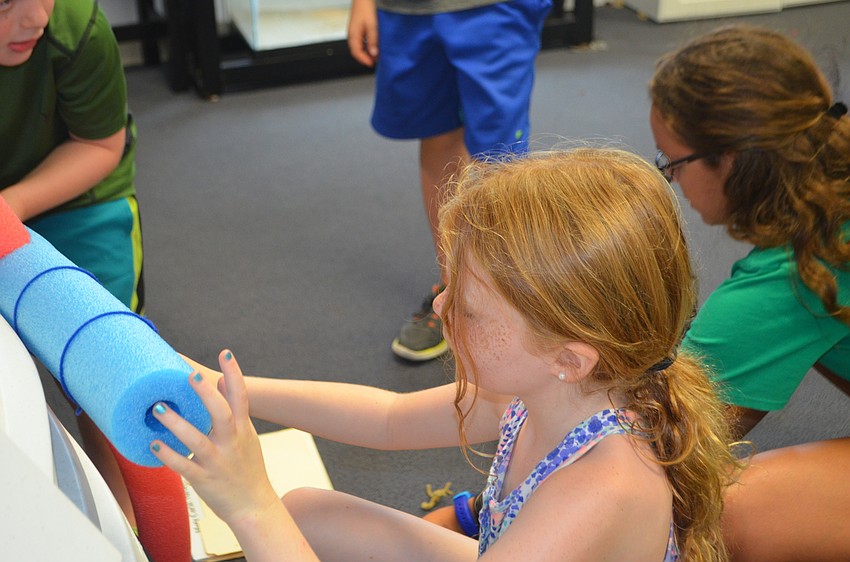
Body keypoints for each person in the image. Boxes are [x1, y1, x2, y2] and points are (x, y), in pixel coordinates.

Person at [152, 148, 739, 561]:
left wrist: (249, 504)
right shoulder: (555, 388)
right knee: (306, 512)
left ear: (568, 356)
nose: (439, 305)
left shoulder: (603, 490)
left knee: (275, 517)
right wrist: (232, 388)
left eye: (469, 307)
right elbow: (388, 417)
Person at [649, 25, 850, 561]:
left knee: (721, 509)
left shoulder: (789, 280)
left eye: (673, 160)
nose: (670, 177)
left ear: (730, 159)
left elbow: (656, 449)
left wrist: (473, 511)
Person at [0, 1, 189, 559]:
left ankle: (129, 529)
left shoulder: (73, 24)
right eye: (7, 1)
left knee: (107, 374)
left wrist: (5, 212)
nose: (34, 16)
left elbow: (98, 144)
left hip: (73, 196)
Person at [347, 0, 552, 361]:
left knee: (498, 156)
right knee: (437, 132)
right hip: (408, 11)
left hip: (494, 7)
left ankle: (506, 295)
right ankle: (455, 290)